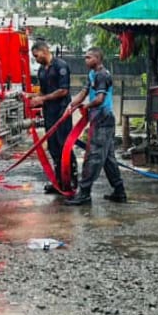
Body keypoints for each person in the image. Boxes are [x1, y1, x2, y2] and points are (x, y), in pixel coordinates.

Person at [63, 46, 126, 206]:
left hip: (103, 119)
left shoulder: (102, 75)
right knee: (108, 159)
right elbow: (83, 92)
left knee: (93, 157)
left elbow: (99, 99)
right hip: (99, 119)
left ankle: (84, 194)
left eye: (89, 57)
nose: (86, 60)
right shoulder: (92, 74)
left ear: (98, 59)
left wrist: (86, 106)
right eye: (85, 57)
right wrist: (71, 106)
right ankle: (119, 192)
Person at [29, 40, 77, 194]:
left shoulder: (60, 66)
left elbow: (63, 90)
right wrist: (30, 96)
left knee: (64, 146)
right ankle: (59, 181)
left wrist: (42, 99)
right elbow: (43, 91)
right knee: (53, 148)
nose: (36, 59)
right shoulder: (42, 70)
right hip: (49, 113)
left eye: (36, 56)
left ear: (43, 51)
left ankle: (72, 180)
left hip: (61, 112)